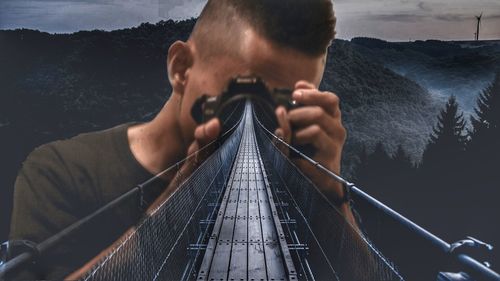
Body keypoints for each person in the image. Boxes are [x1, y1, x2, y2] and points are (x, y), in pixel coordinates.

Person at [8, 0, 357, 279]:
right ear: (181, 68)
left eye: (283, 101)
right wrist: (177, 204)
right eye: (243, 92)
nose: (259, 115)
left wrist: (331, 193)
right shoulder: (62, 171)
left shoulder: (298, 180)